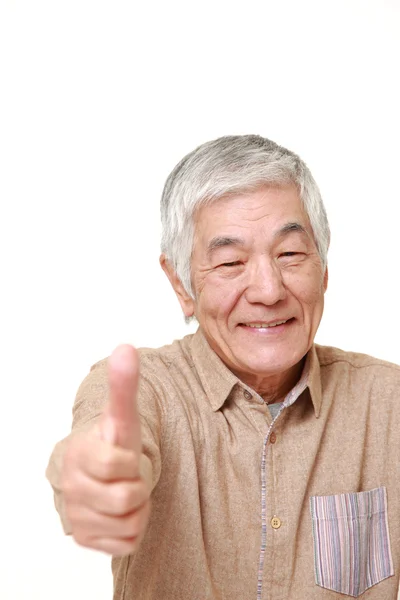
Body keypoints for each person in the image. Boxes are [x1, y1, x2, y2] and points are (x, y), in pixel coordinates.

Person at [46, 135, 400, 600]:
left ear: (325, 267)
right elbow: (105, 437)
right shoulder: (145, 390)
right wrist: (95, 475)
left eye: (290, 254)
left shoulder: (388, 402)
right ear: (181, 283)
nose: (268, 290)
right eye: (231, 262)